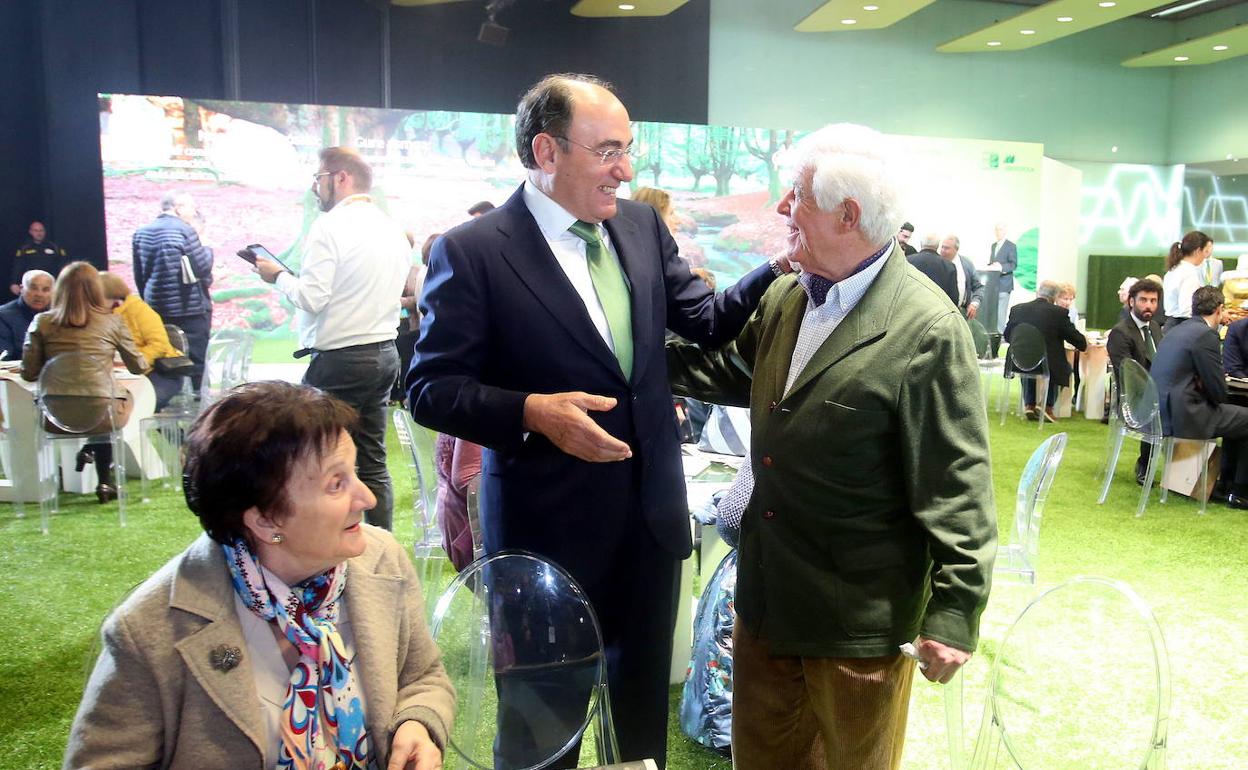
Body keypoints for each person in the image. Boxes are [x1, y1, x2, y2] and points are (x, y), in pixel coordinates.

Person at [406, 73, 782, 769]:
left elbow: (703, 321)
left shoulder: (638, 226)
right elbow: (429, 388)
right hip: (548, 532)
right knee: (541, 721)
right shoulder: (474, 250)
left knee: (639, 717)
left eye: (629, 149)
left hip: (651, 521)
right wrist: (530, 412)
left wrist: (777, 265)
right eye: (609, 150)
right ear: (547, 152)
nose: (627, 168)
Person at [667, 123, 995, 770]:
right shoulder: (790, 295)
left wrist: (955, 612)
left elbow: (955, 481)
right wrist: (625, 354)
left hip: (856, 630)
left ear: (848, 215)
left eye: (797, 196)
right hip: (765, 606)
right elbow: (733, 371)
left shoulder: (926, 329)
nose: (781, 209)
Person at [62, 381, 455, 768]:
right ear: (266, 521)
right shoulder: (150, 629)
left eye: (354, 473)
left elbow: (422, 676)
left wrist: (417, 722)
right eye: (337, 484)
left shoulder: (381, 560)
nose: (367, 498)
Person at [254, 147, 410, 531]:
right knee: (372, 460)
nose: (314, 189)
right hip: (384, 354)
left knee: (311, 455)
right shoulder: (391, 227)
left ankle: (318, 539)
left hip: (341, 359)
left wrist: (277, 276)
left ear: (341, 178)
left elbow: (311, 297)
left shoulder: (329, 227)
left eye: (318, 178)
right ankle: (379, 545)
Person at [21, 262, 148, 503]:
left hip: (53, 416)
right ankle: (105, 480)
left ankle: (99, 475)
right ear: (97, 290)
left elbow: (29, 373)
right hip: (103, 413)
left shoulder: (42, 322)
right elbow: (139, 366)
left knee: (105, 403)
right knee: (116, 401)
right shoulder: (113, 322)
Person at [1151, 286, 1248, 508]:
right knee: (1245, 418)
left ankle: (1224, 485)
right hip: (1186, 413)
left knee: (1238, 418)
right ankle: (1241, 492)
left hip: (1162, 410)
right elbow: (1217, 389)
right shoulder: (1206, 335)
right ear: (1220, 309)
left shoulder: (1176, 330)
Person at [131, 191, 215, 389]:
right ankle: (197, 401)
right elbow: (201, 267)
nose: (194, 212)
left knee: (163, 356)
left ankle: (164, 397)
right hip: (189, 308)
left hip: (156, 307)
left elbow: (139, 274)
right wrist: (207, 246)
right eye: (191, 207)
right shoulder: (185, 230)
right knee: (196, 358)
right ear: (178, 207)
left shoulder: (141, 232)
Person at [98, 271, 187, 410]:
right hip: (114, 377)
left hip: (157, 372)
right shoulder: (94, 316)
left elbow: (159, 345)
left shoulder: (139, 310)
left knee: (133, 405)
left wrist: (133, 363)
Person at [1004, 280, 1087, 421]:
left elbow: (1007, 335)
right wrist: (1084, 343)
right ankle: (1047, 406)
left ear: (1038, 292)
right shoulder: (1059, 313)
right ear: (1055, 297)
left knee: (1028, 364)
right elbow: (1076, 339)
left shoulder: (1017, 309)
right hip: (1046, 364)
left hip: (1016, 361)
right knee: (1064, 368)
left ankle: (1029, 404)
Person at [1107, 278, 1164, 483]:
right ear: (1131, 301)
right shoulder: (1120, 333)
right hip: (1134, 397)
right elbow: (1128, 375)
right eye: (1143, 300)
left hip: (1159, 389)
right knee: (1163, 408)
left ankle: (1183, 474)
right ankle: (1145, 465)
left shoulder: (1156, 328)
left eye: (1153, 300)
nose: (1149, 305)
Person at [1162, 230, 1214, 332]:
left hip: (1170, 324)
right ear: (1198, 251)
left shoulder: (1174, 269)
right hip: (1182, 325)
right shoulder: (1189, 273)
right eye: (1205, 251)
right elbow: (1187, 309)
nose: (1205, 256)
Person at [0, 269, 53, 359]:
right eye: (33, 288)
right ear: (21, 289)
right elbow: (4, 357)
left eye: (46, 289)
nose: (39, 294)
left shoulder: (59, 316)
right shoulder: (3, 316)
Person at [10, 221, 68, 296]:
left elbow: (63, 266)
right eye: (36, 230)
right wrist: (13, 283)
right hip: (31, 284)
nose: (39, 233)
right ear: (30, 232)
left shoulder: (54, 247)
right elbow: (18, 266)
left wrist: (65, 282)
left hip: (51, 284)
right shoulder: (24, 248)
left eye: (41, 230)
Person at [939, 234, 983, 319]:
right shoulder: (937, 263)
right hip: (941, 314)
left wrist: (974, 304)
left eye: (947, 248)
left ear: (956, 249)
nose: (943, 251)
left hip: (962, 313)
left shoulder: (966, 264)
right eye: (942, 247)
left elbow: (979, 287)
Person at [906, 233, 957, 306]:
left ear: (921, 244)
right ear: (937, 246)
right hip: (937, 313)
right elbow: (953, 299)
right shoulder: (949, 267)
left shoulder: (907, 261)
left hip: (910, 309)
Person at [987, 224, 1017, 334]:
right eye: (996, 230)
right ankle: (993, 335)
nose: (997, 232)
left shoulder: (1011, 246)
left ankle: (1000, 336)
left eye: (1000, 230)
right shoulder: (994, 245)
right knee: (993, 313)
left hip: (1004, 285)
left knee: (1001, 313)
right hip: (993, 285)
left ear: (1005, 231)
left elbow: (1013, 265)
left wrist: (1000, 267)